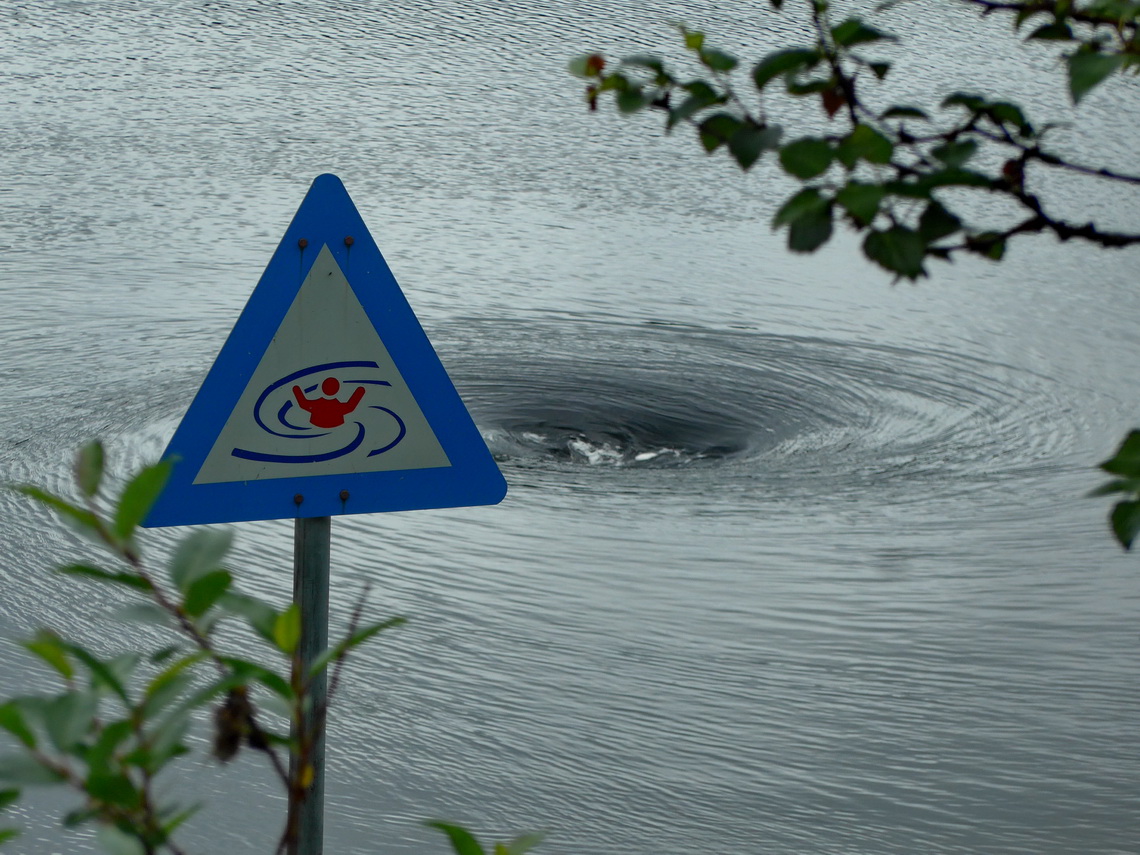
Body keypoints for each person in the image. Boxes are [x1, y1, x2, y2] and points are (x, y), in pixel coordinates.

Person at [292, 377, 366, 429]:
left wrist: (296, 389)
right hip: (337, 429)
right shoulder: (338, 407)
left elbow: (303, 403)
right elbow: (350, 407)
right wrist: (360, 391)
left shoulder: (316, 405)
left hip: (323, 429)